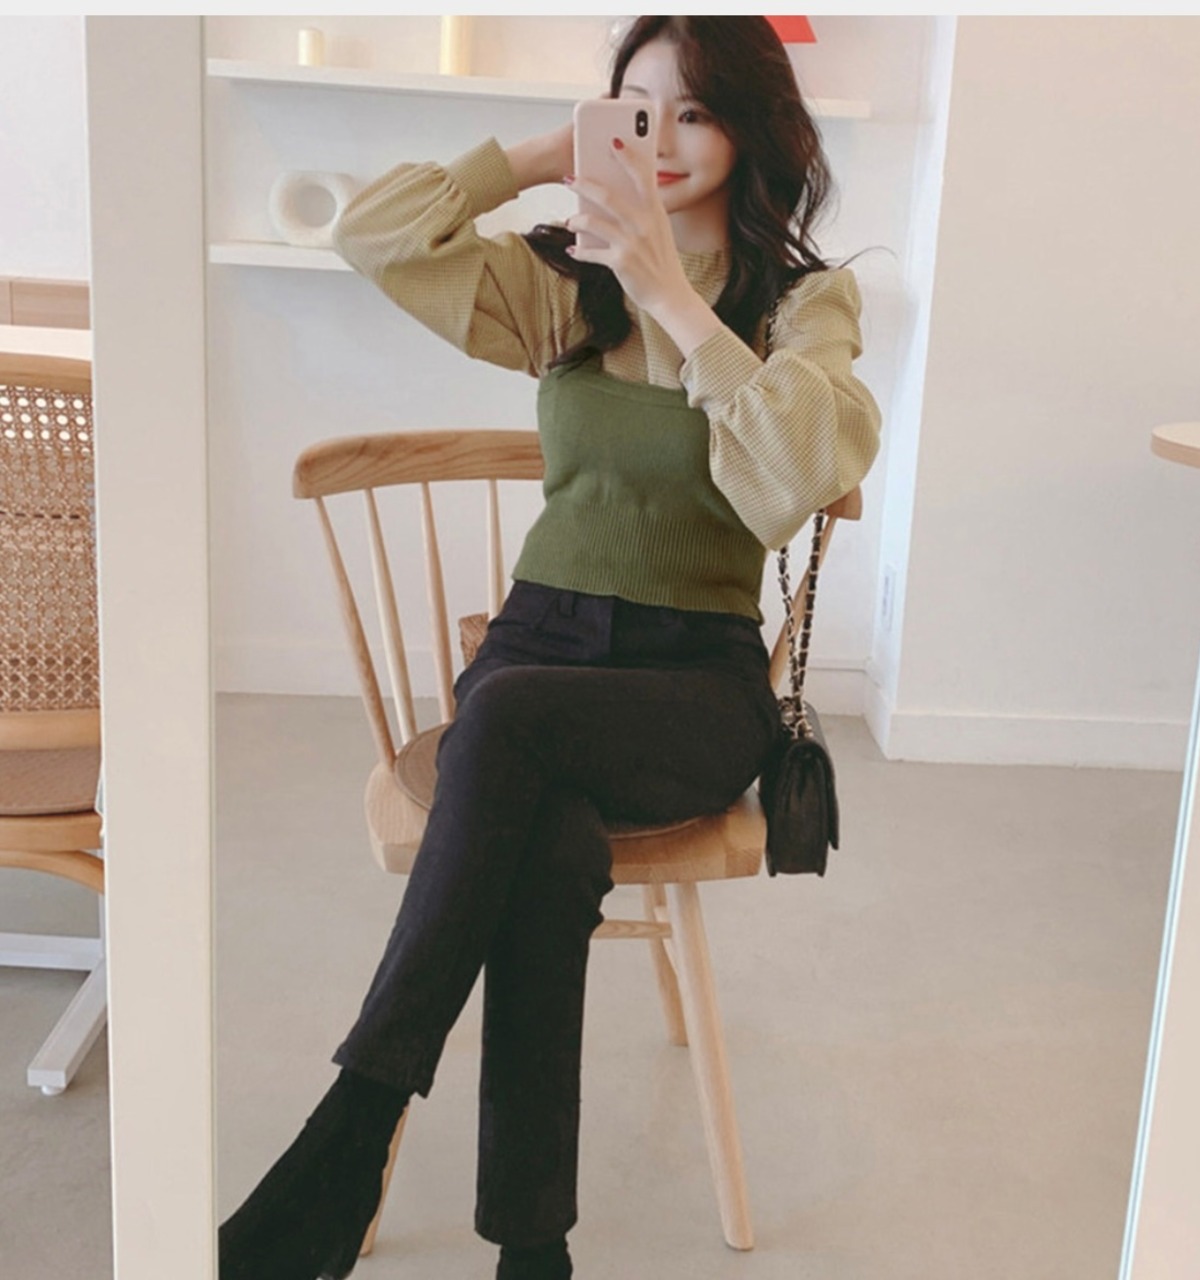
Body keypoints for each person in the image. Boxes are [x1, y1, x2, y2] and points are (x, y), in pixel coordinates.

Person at [218, 16, 881, 1280]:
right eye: (634, 107)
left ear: (750, 128)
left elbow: (802, 465)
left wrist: (675, 295)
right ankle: (534, 1249)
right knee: (546, 842)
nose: (660, 137)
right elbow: (373, 232)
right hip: (540, 645)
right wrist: (540, 157)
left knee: (507, 719)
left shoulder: (801, 303)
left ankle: (352, 1123)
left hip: (690, 678)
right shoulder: (563, 282)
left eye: (693, 110)